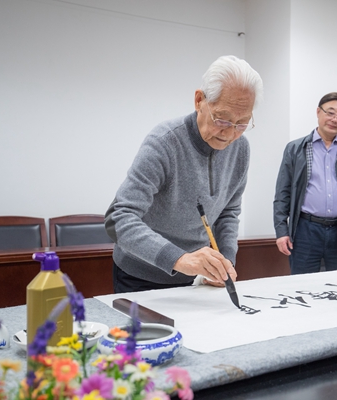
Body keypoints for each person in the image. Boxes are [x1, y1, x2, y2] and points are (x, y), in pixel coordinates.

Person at [105, 55, 263, 293]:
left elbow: (228, 213)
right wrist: (180, 259)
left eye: (242, 123)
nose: (230, 134)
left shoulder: (240, 149)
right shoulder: (164, 142)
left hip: (194, 276)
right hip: (140, 275)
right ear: (199, 100)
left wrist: (226, 261)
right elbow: (117, 219)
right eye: (222, 119)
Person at [273, 92, 337, 275]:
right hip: (305, 230)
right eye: (330, 113)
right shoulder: (296, 149)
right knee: (303, 285)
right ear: (318, 112)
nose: (335, 119)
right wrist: (281, 231)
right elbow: (282, 194)